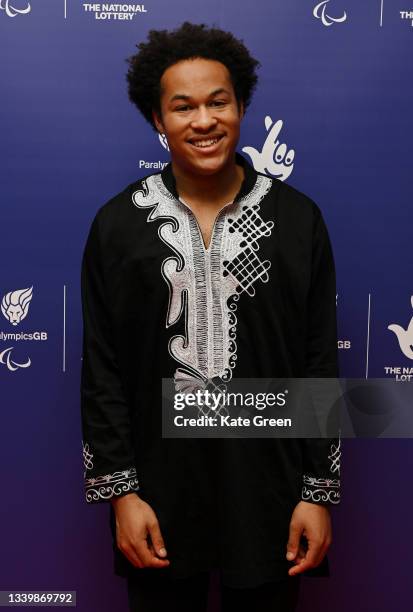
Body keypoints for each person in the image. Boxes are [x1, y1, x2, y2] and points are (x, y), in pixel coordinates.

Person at [80, 21, 341, 612]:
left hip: (271, 492)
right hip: (158, 495)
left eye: (218, 102)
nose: (204, 121)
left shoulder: (298, 220)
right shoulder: (118, 226)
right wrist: (121, 494)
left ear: (241, 106)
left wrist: (316, 492)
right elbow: (103, 369)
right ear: (157, 120)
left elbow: (318, 361)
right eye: (183, 107)